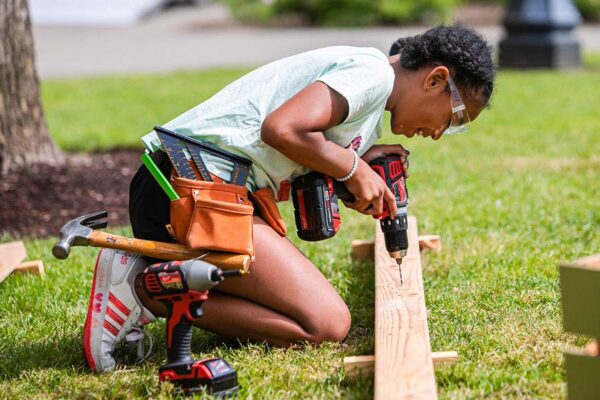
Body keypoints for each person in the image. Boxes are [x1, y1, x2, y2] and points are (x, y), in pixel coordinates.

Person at [82, 25, 496, 372]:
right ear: (436, 79)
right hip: (186, 188)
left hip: (197, 189)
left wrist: (350, 167)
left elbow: (297, 148)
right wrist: (353, 169)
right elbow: (281, 128)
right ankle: (144, 288)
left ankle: (157, 272)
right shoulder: (372, 74)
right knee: (325, 324)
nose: (441, 132)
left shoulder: (369, 108)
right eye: (455, 118)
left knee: (324, 322)